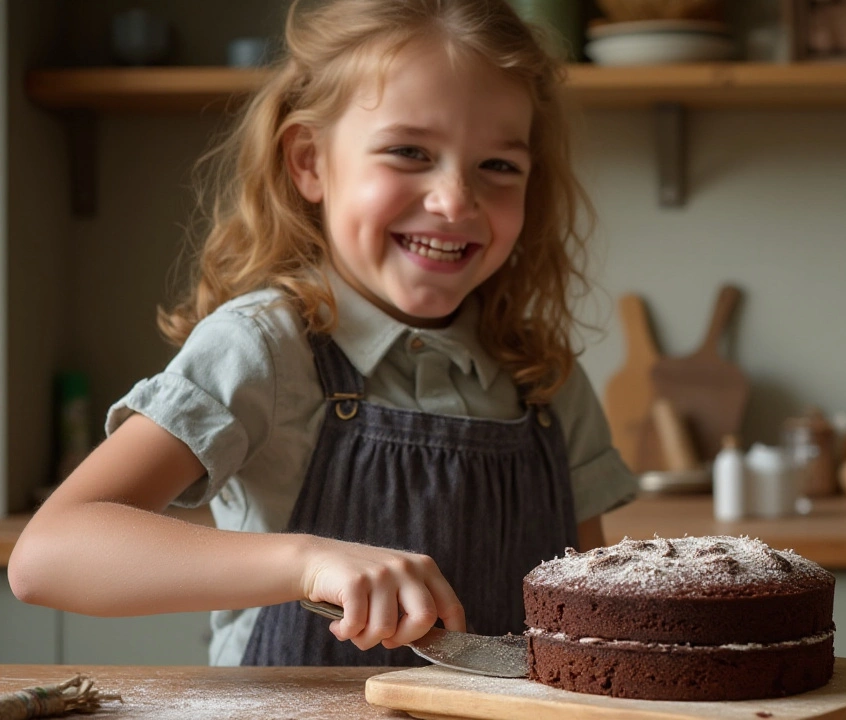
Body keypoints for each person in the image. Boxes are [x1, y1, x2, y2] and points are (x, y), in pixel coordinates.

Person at [9, 0, 636, 667]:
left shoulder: (545, 380)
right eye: (409, 152)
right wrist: (307, 561)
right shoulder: (264, 350)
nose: (455, 200)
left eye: (499, 166)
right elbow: (49, 554)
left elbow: (596, 628)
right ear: (309, 161)